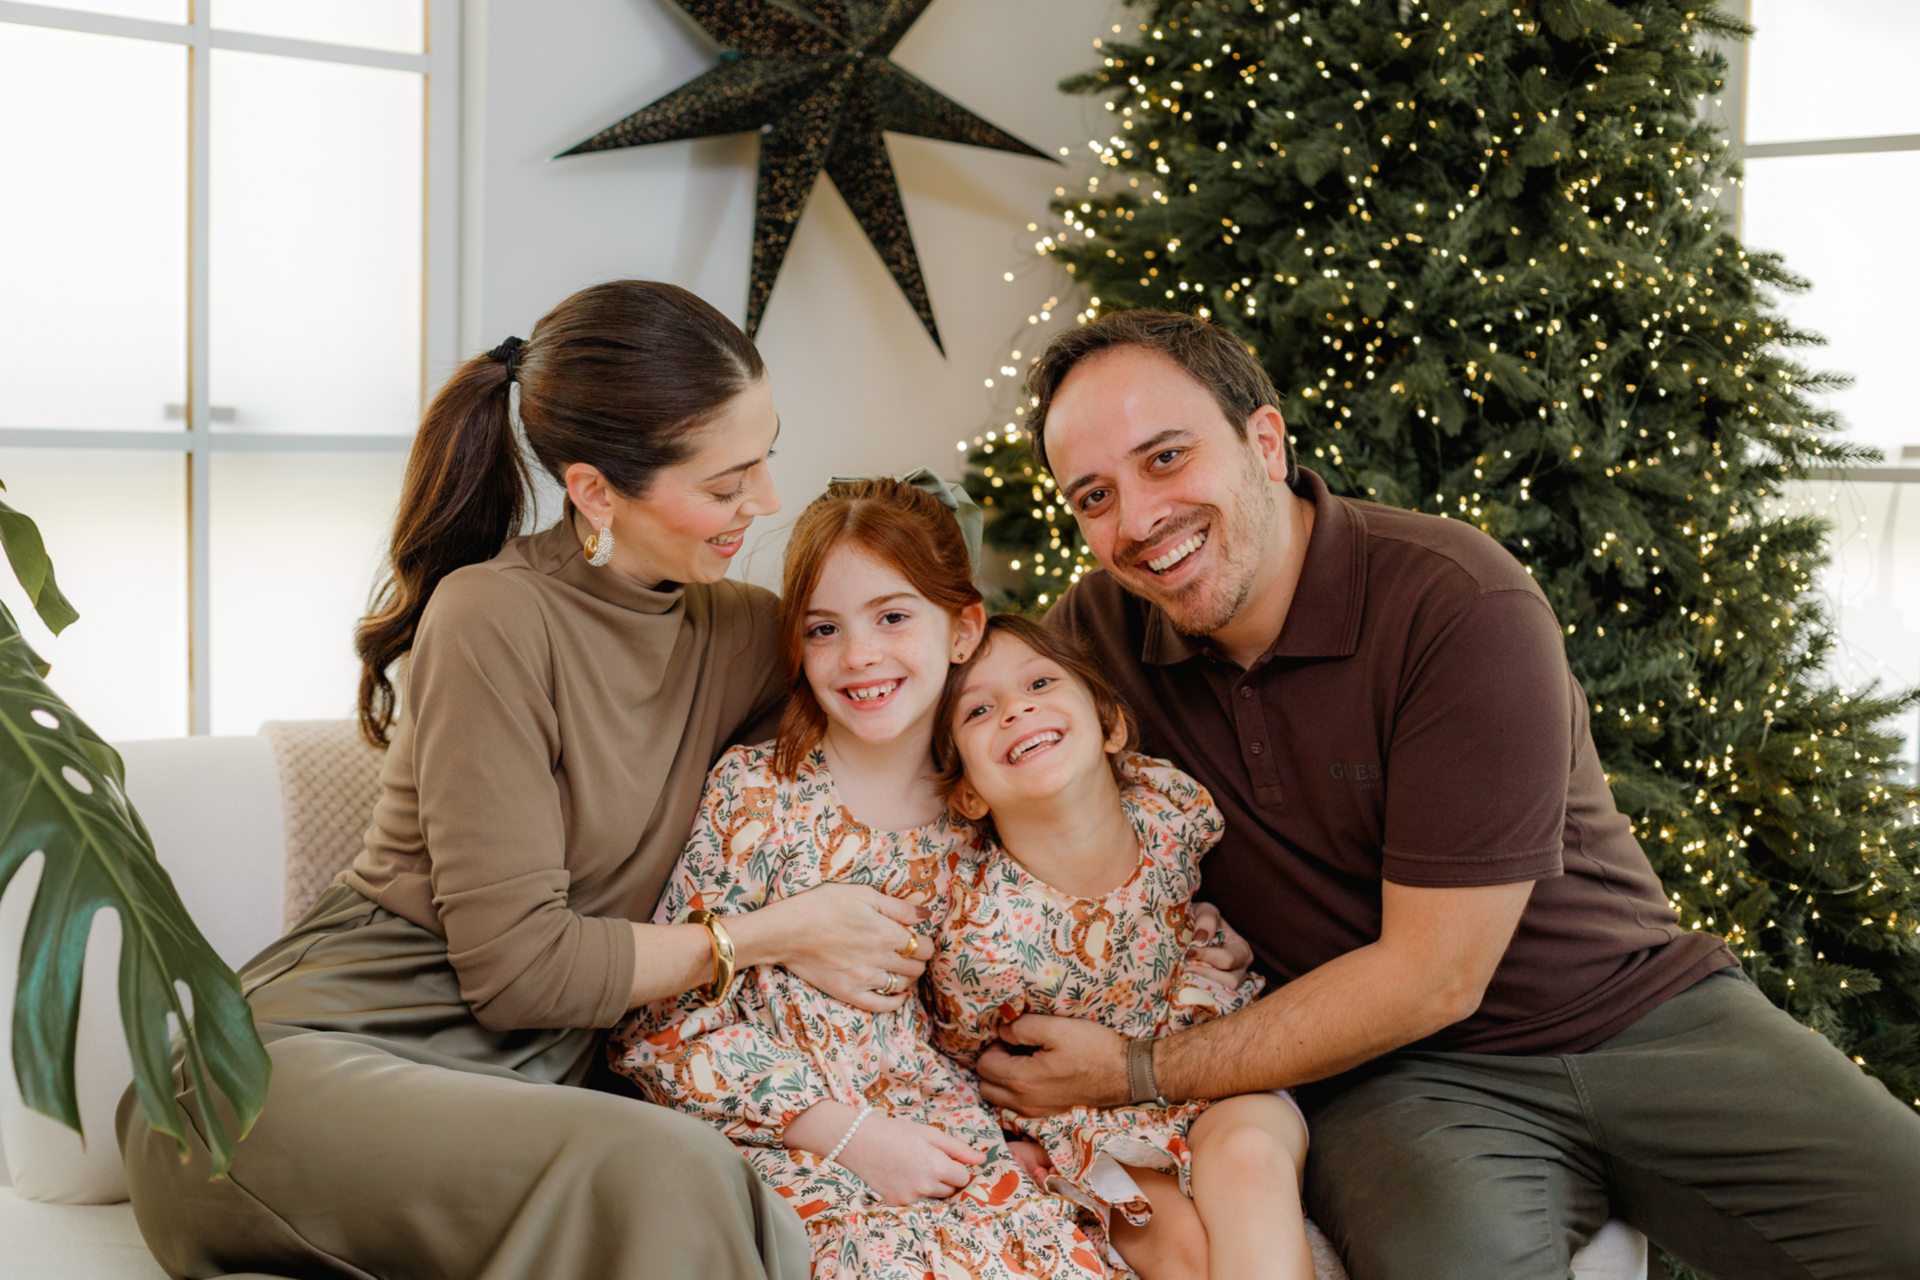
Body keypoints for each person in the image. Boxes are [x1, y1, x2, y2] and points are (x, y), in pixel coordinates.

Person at [973, 308, 1920, 1279]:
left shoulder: (1456, 598)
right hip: (1401, 1084)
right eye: (1094, 495)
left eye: (1166, 457)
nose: (1136, 521)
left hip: (1644, 1016)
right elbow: (930, 723)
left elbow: (1436, 973)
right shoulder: (1087, 648)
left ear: (1264, 441)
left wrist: (1137, 1068)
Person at [118, 282, 932, 1280]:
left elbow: (922, 694)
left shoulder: (742, 633)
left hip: (531, 1098)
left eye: (765, 457)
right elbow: (520, 971)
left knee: (694, 1174)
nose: (765, 500)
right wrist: (778, 932)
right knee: (668, 1169)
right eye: (727, 483)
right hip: (286, 1078)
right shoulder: (491, 615)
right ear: (594, 490)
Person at [611, 477, 1105, 1280]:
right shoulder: (758, 796)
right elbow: (656, 1032)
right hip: (785, 1146)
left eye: (893, 617)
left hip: (945, 1142)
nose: (860, 655)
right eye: (824, 629)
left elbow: (998, 1005)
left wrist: (1196, 941)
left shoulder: (982, 813)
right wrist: (852, 1136)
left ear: (962, 628)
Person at [929, 613, 1313, 1280]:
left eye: (1041, 683)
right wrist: (1000, 1142)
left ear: (1110, 725)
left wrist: (1218, 938)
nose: (1017, 709)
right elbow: (965, 1062)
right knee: (1173, 1243)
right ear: (966, 793)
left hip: (1217, 1066)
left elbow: (1199, 908)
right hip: (1086, 1129)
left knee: (1250, 1161)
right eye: (980, 710)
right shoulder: (981, 936)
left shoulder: (1170, 811)